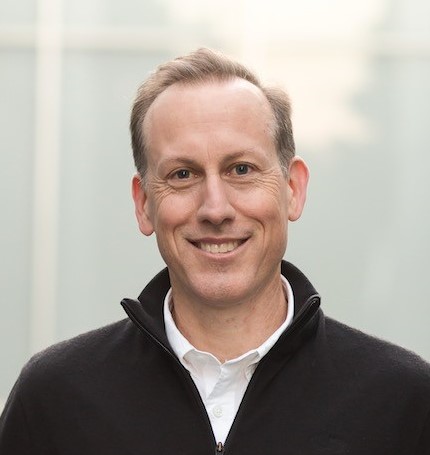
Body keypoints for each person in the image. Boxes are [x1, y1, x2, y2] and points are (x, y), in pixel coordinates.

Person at [0, 48, 429, 454]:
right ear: (143, 203)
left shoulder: (402, 401)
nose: (215, 209)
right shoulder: (55, 399)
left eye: (241, 169)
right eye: (183, 174)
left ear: (293, 189)